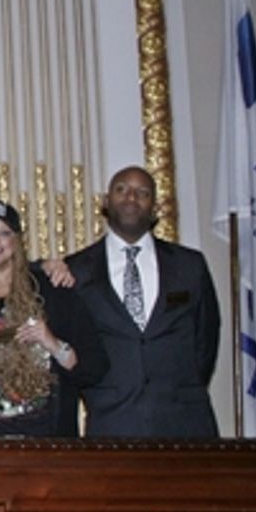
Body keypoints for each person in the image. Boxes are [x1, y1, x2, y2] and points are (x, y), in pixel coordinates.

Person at [65, 165, 221, 437]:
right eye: (121, 189)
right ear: (105, 201)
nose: (131, 198)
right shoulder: (76, 270)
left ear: (155, 207)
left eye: (142, 192)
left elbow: (206, 339)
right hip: (111, 421)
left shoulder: (189, 266)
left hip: (185, 422)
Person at [0, 200, 107, 437]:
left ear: (17, 240)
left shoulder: (52, 289)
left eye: (4, 233)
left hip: (46, 445)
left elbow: (94, 367)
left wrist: (52, 343)